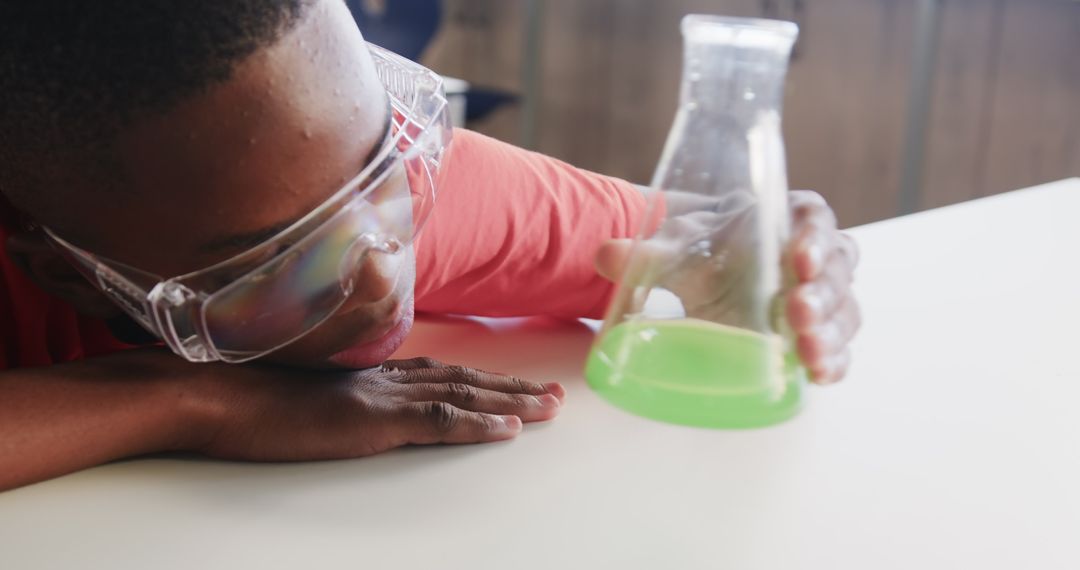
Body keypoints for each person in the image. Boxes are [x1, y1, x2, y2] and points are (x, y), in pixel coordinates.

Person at [0, 0, 860, 491]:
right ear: (65, 271)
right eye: (285, 260)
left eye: (386, 165)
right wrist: (188, 399)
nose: (383, 275)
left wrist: (776, 263)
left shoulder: (350, 177)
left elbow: (701, 243)